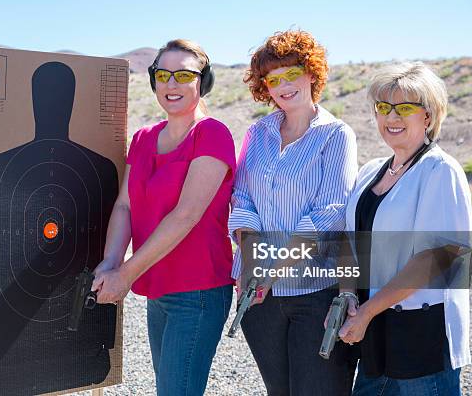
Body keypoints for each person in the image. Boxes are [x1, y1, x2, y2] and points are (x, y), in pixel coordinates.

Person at [91, 39, 236, 396]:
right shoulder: (142, 138)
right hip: (158, 285)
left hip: (198, 290)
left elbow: (185, 216)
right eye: (163, 75)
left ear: (203, 81)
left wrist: (124, 274)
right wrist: (110, 262)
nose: (172, 84)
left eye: (184, 74)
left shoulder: (212, 134)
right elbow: (125, 205)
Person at [228, 29, 358, 395]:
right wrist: (255, 264)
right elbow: (243, 199)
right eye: (273, 78)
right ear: (263, 86)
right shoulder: (258, 133)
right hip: (258, 297)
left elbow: (329, 213)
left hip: (315, 291)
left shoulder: (336, 135)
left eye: (291, 73)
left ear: (311, 74)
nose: (283, 85)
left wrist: (275, 269)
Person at [339, 61, 472, 396]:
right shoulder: (371, 170)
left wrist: (366, 312)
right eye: (384, 107)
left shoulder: (439, 170)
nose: (392, 117)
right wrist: (346, 297)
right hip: (375, 335)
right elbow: (351, 244)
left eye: (405, 108)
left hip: (421, 337)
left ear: (427, 116)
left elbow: (436, 259)